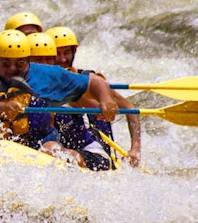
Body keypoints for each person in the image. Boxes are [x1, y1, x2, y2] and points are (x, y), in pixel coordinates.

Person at [0, 30, 119, 166]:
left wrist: (106, 100)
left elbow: (95, 82)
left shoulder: (47, 75)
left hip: (42, 146)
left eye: (19, 63)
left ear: (28, 60)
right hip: (1, 146)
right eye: (6, 63)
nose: (12, 69)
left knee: (52, 150)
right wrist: (2, 108)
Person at [45, 26, 142, 168]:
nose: (62, 59)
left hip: (96, 154)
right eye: (57, 54)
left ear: (74, 52)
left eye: (66, 53)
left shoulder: (90, 81)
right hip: (67, 151)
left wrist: (135, 148)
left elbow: (129, 107)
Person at [25, 30, 112, 171]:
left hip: (90, 154)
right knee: (49, 148)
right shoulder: (15, 87)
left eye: (48, 59)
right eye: (38, 60)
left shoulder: (65, 84)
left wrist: (105, 103)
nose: (44, 65)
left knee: (51, 149)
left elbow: (97, 99)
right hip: (49, 152)